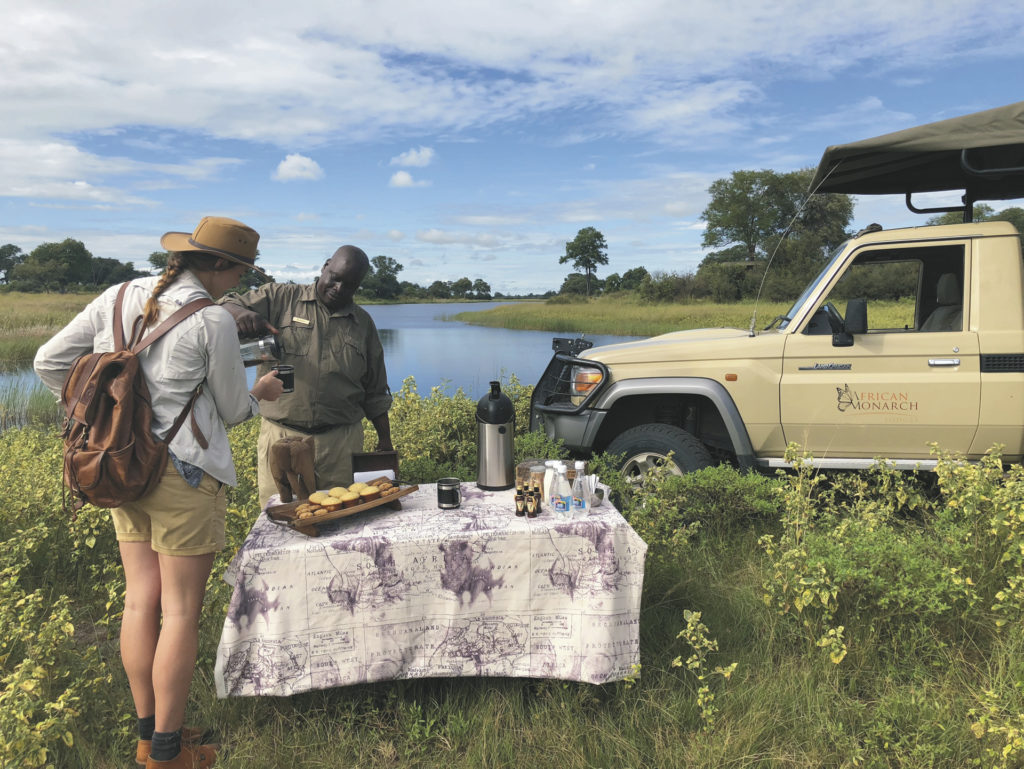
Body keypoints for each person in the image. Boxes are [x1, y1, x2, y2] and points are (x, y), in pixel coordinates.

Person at [34, 216, 283, 769]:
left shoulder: (117, 295)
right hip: (184, 473)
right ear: (220, 265)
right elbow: (235, 410)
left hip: (122, 467)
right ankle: (169, 754)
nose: (236, 285)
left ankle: (149, 736)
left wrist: (98, 416)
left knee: (139, 601)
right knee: (180, 613)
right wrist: (262, 389)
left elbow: (48, 362)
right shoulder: (212, 319)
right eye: (238, 272)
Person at [219, 245, 394, 508]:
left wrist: (385, 439)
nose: (338, 288)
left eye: (349, 285)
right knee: (280, 517)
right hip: (282, 439)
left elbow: (376, 390)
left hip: (341, 445)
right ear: (325, 266)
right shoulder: (280, 297)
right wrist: (241, 314)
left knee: (339, 518)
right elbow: (223, 304)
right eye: (334, 278)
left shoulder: (363, 324)